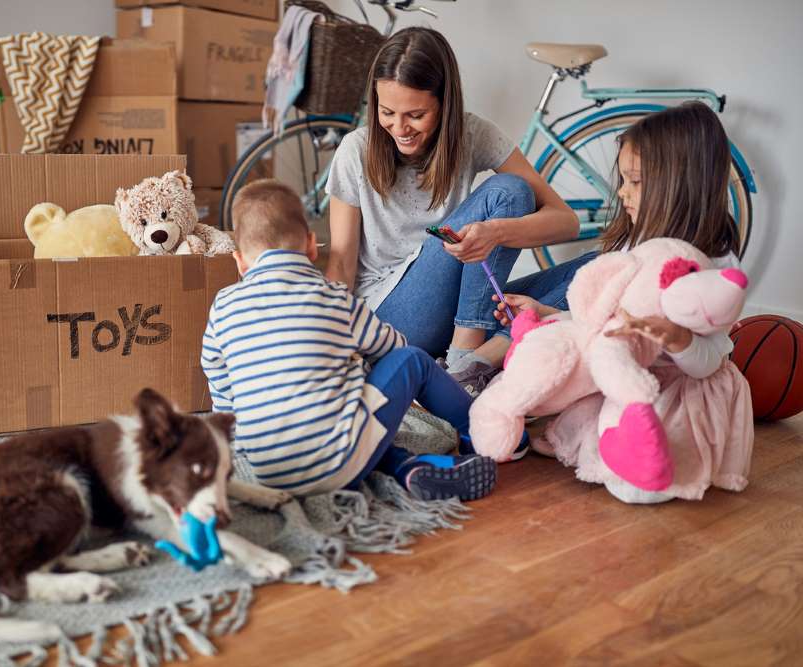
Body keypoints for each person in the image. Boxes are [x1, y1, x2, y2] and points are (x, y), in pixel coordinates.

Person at [493, 101, 753, 503]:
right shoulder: (636, 243)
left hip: (679, 387)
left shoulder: (711, 266)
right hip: (627, 368)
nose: (620, 192)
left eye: (634, 181)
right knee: (549, 372)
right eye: (624, 178)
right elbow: (609, 320)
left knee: (642, 478)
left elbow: (710, 362)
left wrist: (677, 339)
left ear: (677, 186)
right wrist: (548, 313)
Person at [200, 179, 498, 501]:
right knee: (410, 363)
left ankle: (408, 469)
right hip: (338, 460)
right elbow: (393, 348)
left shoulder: (223, 305)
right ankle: (481, 431)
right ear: (312, 246)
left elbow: (220, 383)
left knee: (349, 421)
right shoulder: (333, 298)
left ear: (239, 261)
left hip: (267, 471)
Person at [324, 26, 579, 396]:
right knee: (508, 192)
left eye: (415, 114)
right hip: (390, 319)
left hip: (456, 315)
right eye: (387, 112)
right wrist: (330, 350)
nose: (399, 128)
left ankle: (476, 359)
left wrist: (496, 233)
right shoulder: (355, 151)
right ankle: (468, 360)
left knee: (596, 273)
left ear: (445, 103)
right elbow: (341, 264)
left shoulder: (473, 134)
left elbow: (566, 222)